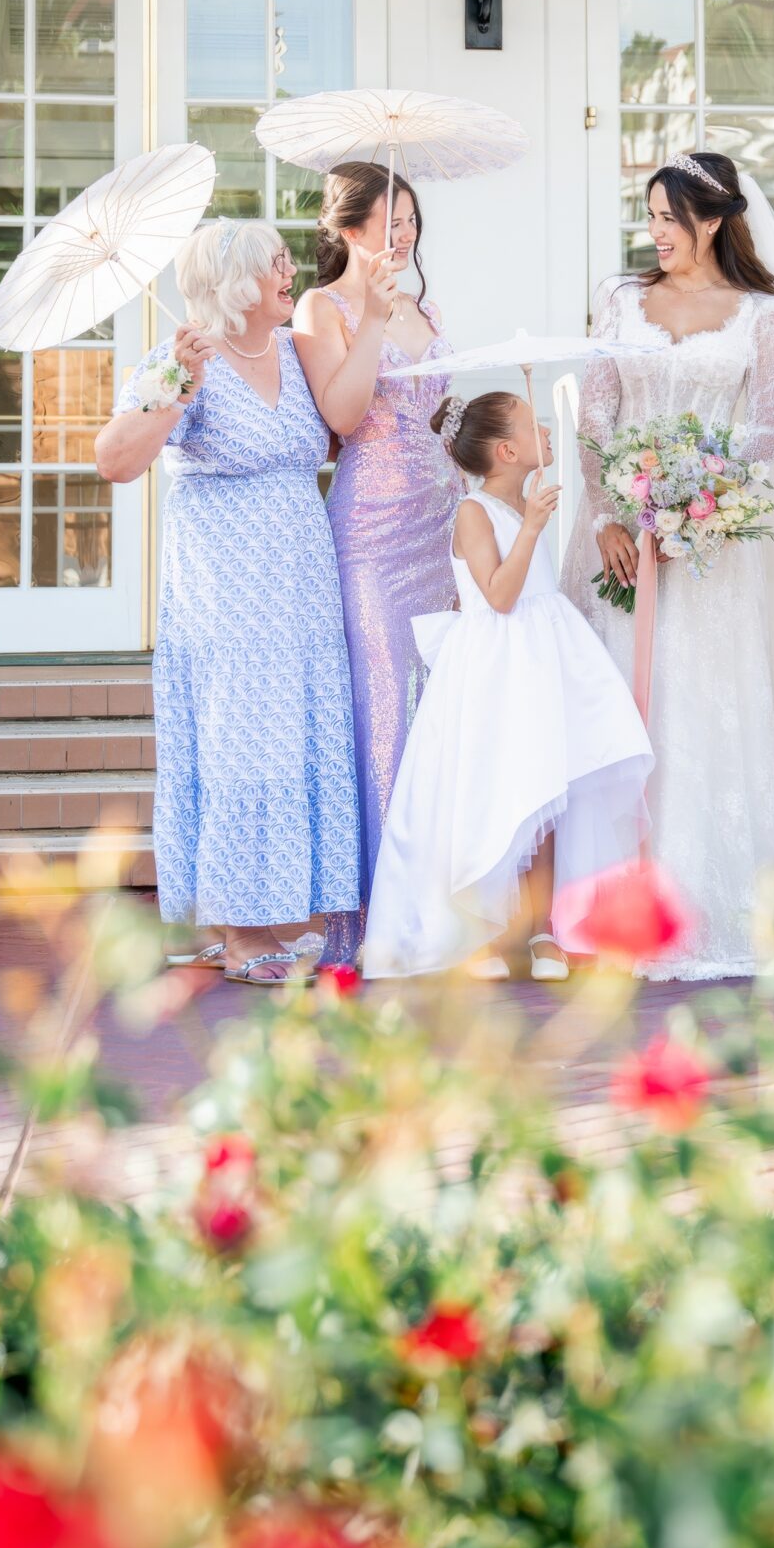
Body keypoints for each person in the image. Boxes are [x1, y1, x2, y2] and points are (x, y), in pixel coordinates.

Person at [561, 151, 774, 980]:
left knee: (708, 709)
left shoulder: (763, 316)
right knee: (627, 709)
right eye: (651, 218)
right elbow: (594, 415)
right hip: (622, 546)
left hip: (712, 549)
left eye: (670, 219)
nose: (656, 233)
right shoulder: (619, 299)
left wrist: (697, 498)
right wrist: (611, 512)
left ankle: (713, 908)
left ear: (711, 222)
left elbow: (769, 428)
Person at [94, 222, 362, 983]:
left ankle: (286, 913)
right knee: (242, 741)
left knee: (295, 736)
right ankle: (239, 931)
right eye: (276, 265)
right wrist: (173, 387)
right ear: (237, 282)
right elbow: (115, 460)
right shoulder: (185, 359)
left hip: (301, 586)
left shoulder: (291, 351)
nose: (291, 274)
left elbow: (333, 438)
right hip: (229, 590)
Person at [365, 392, 652, 982]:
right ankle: (480, 931)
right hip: (495, 669)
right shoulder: (474, 511)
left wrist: (534, 518)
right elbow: (498, 594)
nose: (546, 428)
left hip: (542, 662)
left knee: (547, 789)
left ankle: (542, 926)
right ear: (508, 450)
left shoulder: (524, 503)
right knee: (492, 792)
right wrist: (533, 527)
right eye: (532, 422)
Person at [293, 162, 457, 967]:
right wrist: (373, 323)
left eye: (412, 220)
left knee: (439, 716)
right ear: (348, 230)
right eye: (390, 222)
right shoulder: (318, 308)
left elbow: (440, 410)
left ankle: (439, 909)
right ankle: (376, 923)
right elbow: (344, 415)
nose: (404, 234)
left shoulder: (426, 308)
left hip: (441, 527)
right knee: (384, 714)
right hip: (369, 535)